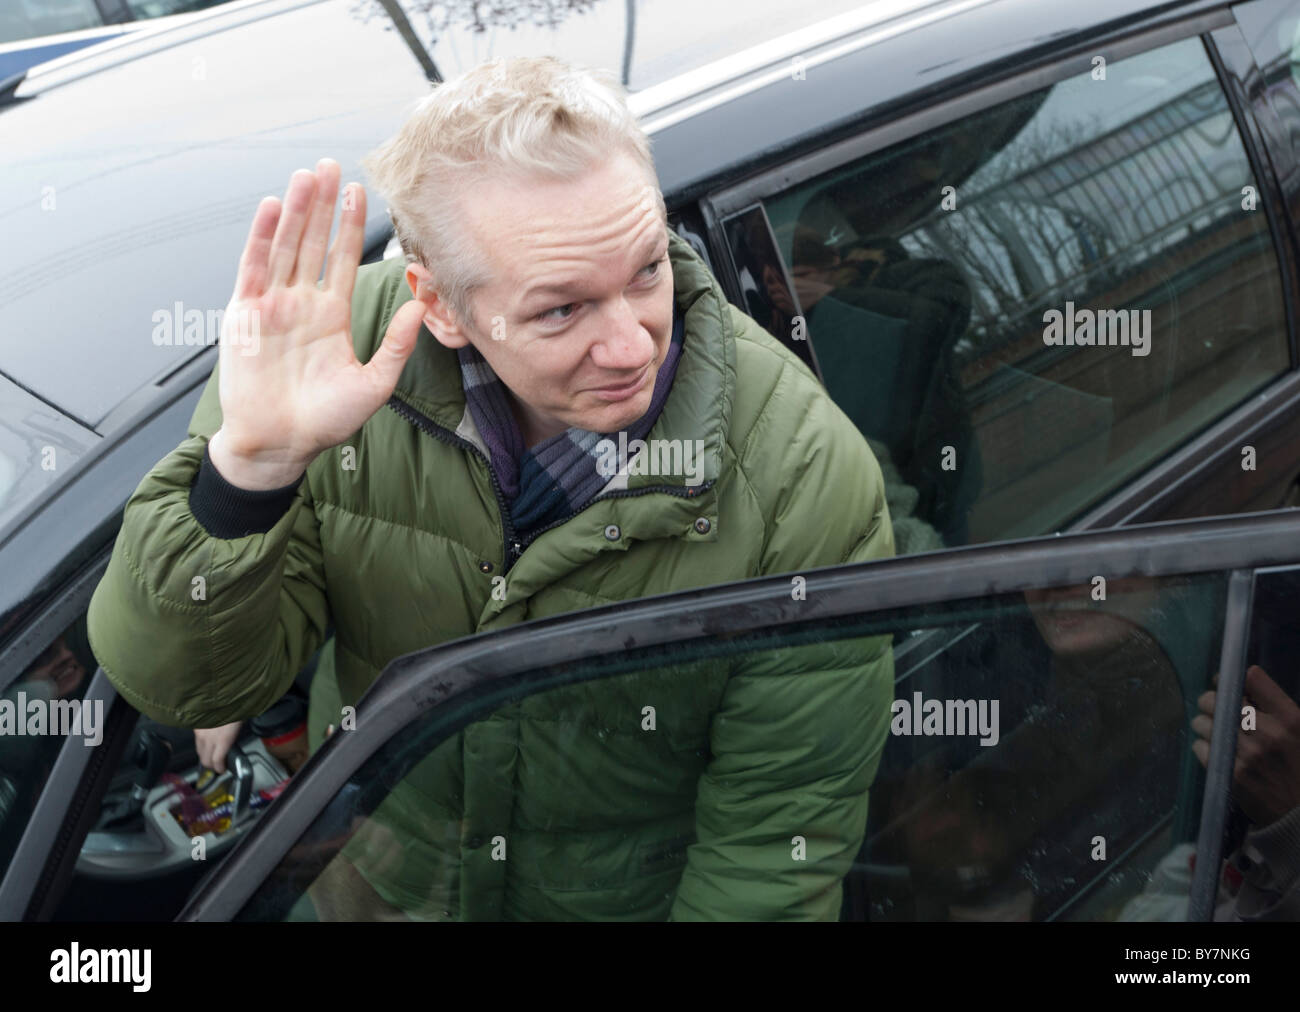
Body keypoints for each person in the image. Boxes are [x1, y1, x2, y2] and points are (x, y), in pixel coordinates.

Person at [86, 56, 897, 920]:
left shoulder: (801, 480)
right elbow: (187, 687)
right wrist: (248, 473)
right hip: (375, 885)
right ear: (438, 306)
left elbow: (771, 848)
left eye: (647, 272)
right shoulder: (326, 361)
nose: (632, 346)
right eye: (562, 310)